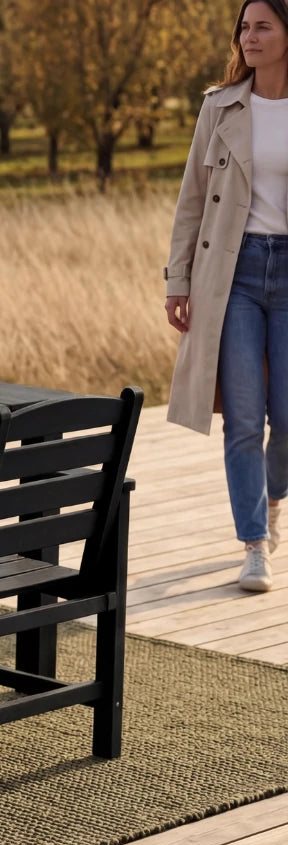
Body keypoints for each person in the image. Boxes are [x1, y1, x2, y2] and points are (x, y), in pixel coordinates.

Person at [165, 0, 288, 591]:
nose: (249, 36)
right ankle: (254, 544)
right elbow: (191, 200)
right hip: (232, 275)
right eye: (244, 27)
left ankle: (273, 499)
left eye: (263, 26)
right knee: (243, 418)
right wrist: (178, 281)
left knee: (286, 419)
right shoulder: (221, 106)